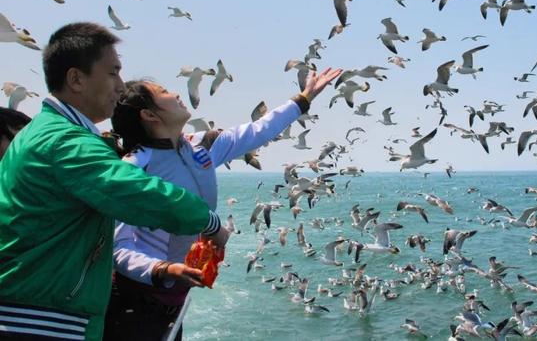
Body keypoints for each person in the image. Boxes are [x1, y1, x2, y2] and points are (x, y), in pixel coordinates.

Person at [0, 22, 230, 340]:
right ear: (76, 79)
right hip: (45, 322)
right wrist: (210, 222)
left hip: (37, 313)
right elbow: (138, 193)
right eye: (113, 73)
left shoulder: (40, 133)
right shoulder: (65, 141)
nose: (121, 86)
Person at [104, 66, 341, 340]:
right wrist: (162, 270)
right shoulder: (135, 168)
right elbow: (118, 248)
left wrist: (304, 98)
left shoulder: (200, 145)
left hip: (175, 297)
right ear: (149, 115)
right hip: (135, 300)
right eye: (164, 92)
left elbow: (257, 131)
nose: (176, 93)